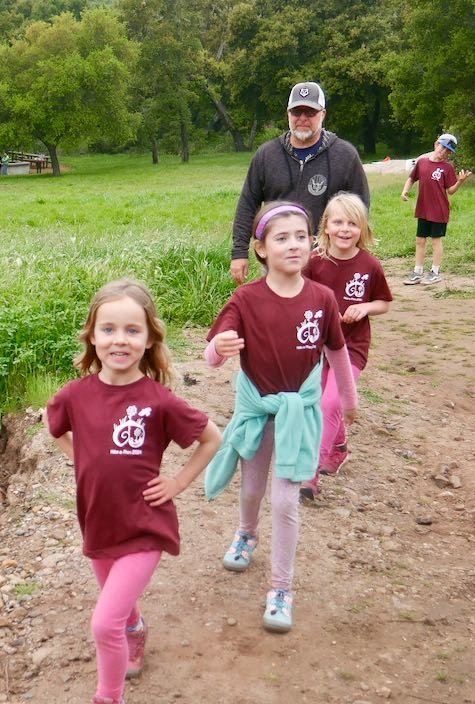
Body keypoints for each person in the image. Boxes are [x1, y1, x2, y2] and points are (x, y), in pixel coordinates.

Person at [47, 279, 221, 704]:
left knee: (103, 623)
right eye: (108, 329)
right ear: (92, 335)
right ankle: (135, 629)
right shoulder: (74, 396)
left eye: (132, 330)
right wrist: (83, 459)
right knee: (119, 607)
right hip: (98, 521)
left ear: (149, 338)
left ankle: (109, 697)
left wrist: (178, 482)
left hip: (145, 525)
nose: (119, 340)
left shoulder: (159, 400)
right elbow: (56, 430)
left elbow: (211, 438)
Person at [204, 201, 357, 633]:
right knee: (252, 489)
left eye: (301, 236)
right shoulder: (246, 298)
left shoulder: (322, 298)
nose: (293, 245)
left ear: (312, 242)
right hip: (258, 412)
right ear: (261, 249)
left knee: (286, 501)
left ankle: (281, 588)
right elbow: (212, 354)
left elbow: (337, 352)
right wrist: (219, 348)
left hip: (298, 416)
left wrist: (348, 400)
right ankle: (246, 533)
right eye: (282, 238)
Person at [230, 82, 370, 285]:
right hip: (278, 258)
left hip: (328, 258)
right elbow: (247, 204)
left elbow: (360, 209)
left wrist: (353, 253)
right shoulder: (266, 155)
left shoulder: (345, 155)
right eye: (297, 112)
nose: (302, 118)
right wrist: (239, 252)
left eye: (310, 112)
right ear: (288, 114)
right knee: (278, 305)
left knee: (327, 305)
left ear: (323, 114)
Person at [300, 193, 392, 498]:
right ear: (326, 226)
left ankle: (309, 474)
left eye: (352, 223)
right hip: (317, 347)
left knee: (330, 404)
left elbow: (383, 302)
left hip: (352, 346)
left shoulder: (369, 265)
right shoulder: (313, 262)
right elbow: (297, 293)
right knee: (321, 401)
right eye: (338, 222)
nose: (344, 229)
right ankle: (338, 448)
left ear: (362, 228)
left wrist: (365, 308)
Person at [400, 133, 472, 284]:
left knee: (435, 241)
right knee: (420, 240)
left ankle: (435, 272)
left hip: (439, 210)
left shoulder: (447, 168)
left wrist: (460, 182)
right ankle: (417, 271)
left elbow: (450, 191)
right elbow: (412, 178)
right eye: (443, 147)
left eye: (448, 151)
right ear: (436, 144)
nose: (444, 152)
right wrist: (405, 191)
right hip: (423, 209)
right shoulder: (422, 163)